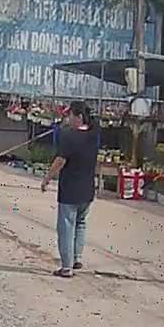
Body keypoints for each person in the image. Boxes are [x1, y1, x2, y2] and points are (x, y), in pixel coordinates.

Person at [41, 101, 100, 277]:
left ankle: (66, 267)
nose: (68, 119)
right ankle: (76, 258)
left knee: (66, 226)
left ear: (79, 117)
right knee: (80, 223)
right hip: (87, 189)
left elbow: (60, 161)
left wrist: (47, 179)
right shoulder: (94, 134)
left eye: (70, 116)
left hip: (70, 189)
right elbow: (93, 124)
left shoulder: (69, 137)